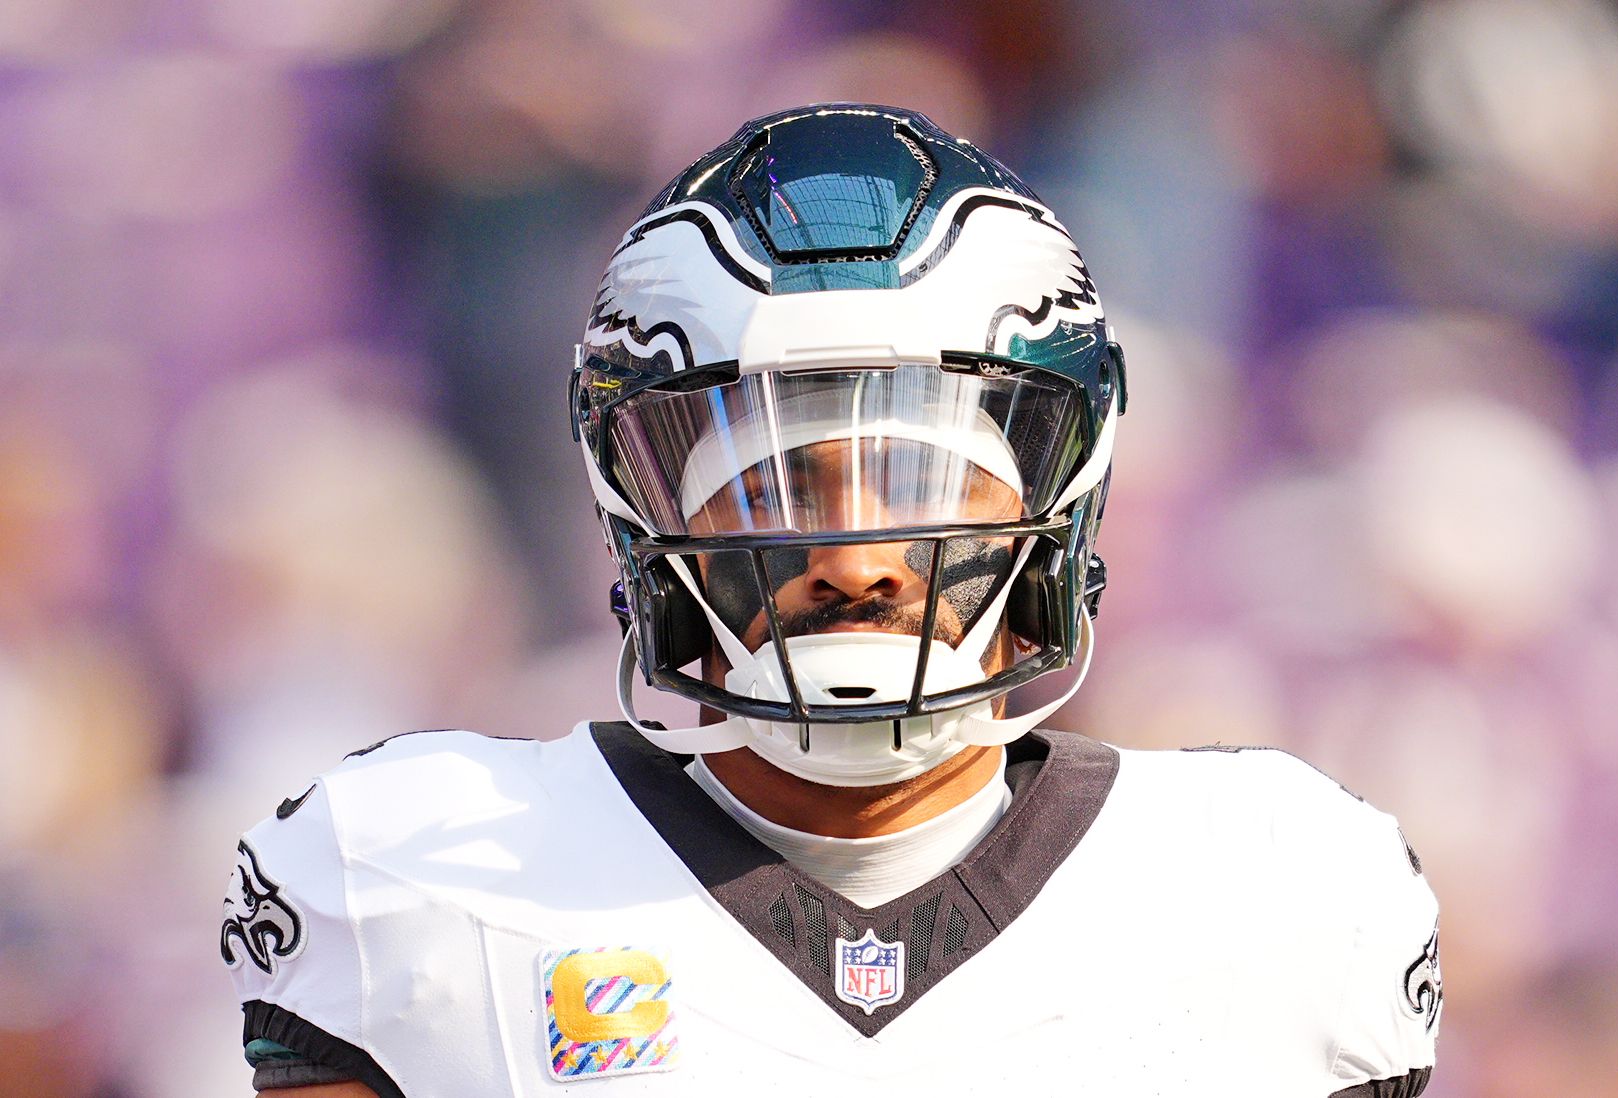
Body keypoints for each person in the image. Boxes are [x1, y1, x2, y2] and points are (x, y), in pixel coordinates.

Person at [220, 104, 1441, 1097]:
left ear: (1058, 496)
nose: (856, 557)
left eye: (921, 480)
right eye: (780, 489)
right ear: (650, 516)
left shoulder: (1280, 891)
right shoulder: (417, 876)